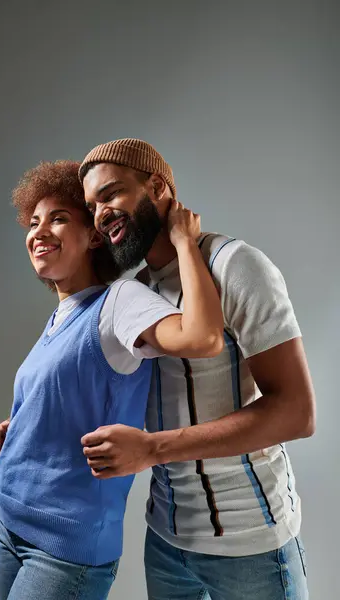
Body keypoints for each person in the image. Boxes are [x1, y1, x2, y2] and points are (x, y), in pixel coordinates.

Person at [0, 159, 224, 600]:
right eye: (33, 222)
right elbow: (71, 402)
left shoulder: (119, 301)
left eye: (59, 218)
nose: (39, 231)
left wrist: (185, 243)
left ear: (93, 236)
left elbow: (203, 337)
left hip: (62, 551)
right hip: (7, 520)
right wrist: (11, 431)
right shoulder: (62, 316)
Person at [78, 138, 316, 600]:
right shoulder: (138, 291)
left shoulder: (237, 265)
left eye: (110, 194)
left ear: (158, 187)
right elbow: (106, 387)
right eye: (91, 207)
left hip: (251, 546)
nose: (100, 214)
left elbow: (296, 412)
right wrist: (20, 425)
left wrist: (151, 449)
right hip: (166, 541)